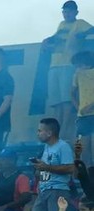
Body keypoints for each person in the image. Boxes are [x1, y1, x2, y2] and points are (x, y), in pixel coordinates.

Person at [42, 0, 94, 141]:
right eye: (65, 11)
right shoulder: (61, 25)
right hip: (54, 65)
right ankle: (56, 132)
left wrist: (82, 36)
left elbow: (92, 30)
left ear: (76, 12)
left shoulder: (80, 23)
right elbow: (55, 37)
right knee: (57, 103)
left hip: (67, 64)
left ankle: (64, 133)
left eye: (70, 11)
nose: (67, 14)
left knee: (66, 101)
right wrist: (48, 40)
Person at [28, 118, 74, 211]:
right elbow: (45, 169)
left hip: (58, 190)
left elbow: (70, 168)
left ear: (50, 132)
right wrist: (39, 171)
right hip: (43, 190)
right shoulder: (46, 148)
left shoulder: (63, 146)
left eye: (40, 130)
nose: (38, 133)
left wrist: (47, 167)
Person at [71, 51, 94, 166]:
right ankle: (88, 173)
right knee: (84, 149)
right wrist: (78, 108)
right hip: (83, 116)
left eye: (79, 65)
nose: (77, 68)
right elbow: (72, 94)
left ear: (87, 63)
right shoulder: (77, 76)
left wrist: (90, 106)